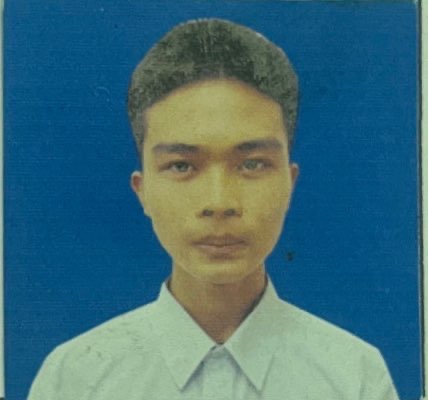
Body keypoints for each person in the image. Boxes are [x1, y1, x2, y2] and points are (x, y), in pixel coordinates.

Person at [28, 18, 399, 399]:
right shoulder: (76, 379)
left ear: (289, 183)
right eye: (182, 166)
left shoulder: (353, 376)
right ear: (143, 190)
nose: (219, 203)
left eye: (252, 164)